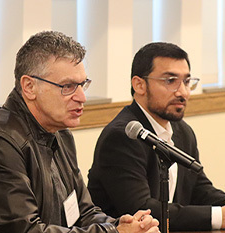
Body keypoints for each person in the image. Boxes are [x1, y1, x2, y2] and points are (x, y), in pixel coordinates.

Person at [0, 31, 159, 233]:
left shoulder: (60, 131)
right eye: (68, 86)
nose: (81, 97)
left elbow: (84, 212)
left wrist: (123, 225)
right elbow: (25, 230)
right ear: (29, 87)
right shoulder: (1, 140)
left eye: (83, 85)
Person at [87, 42, 225, 231]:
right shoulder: (123, 136)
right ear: (139, 85)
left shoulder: (182, 131)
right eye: (170, 81)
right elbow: (144, 210)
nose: (183, 92)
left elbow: (200, 189)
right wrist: (218, 216)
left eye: (186, 81)